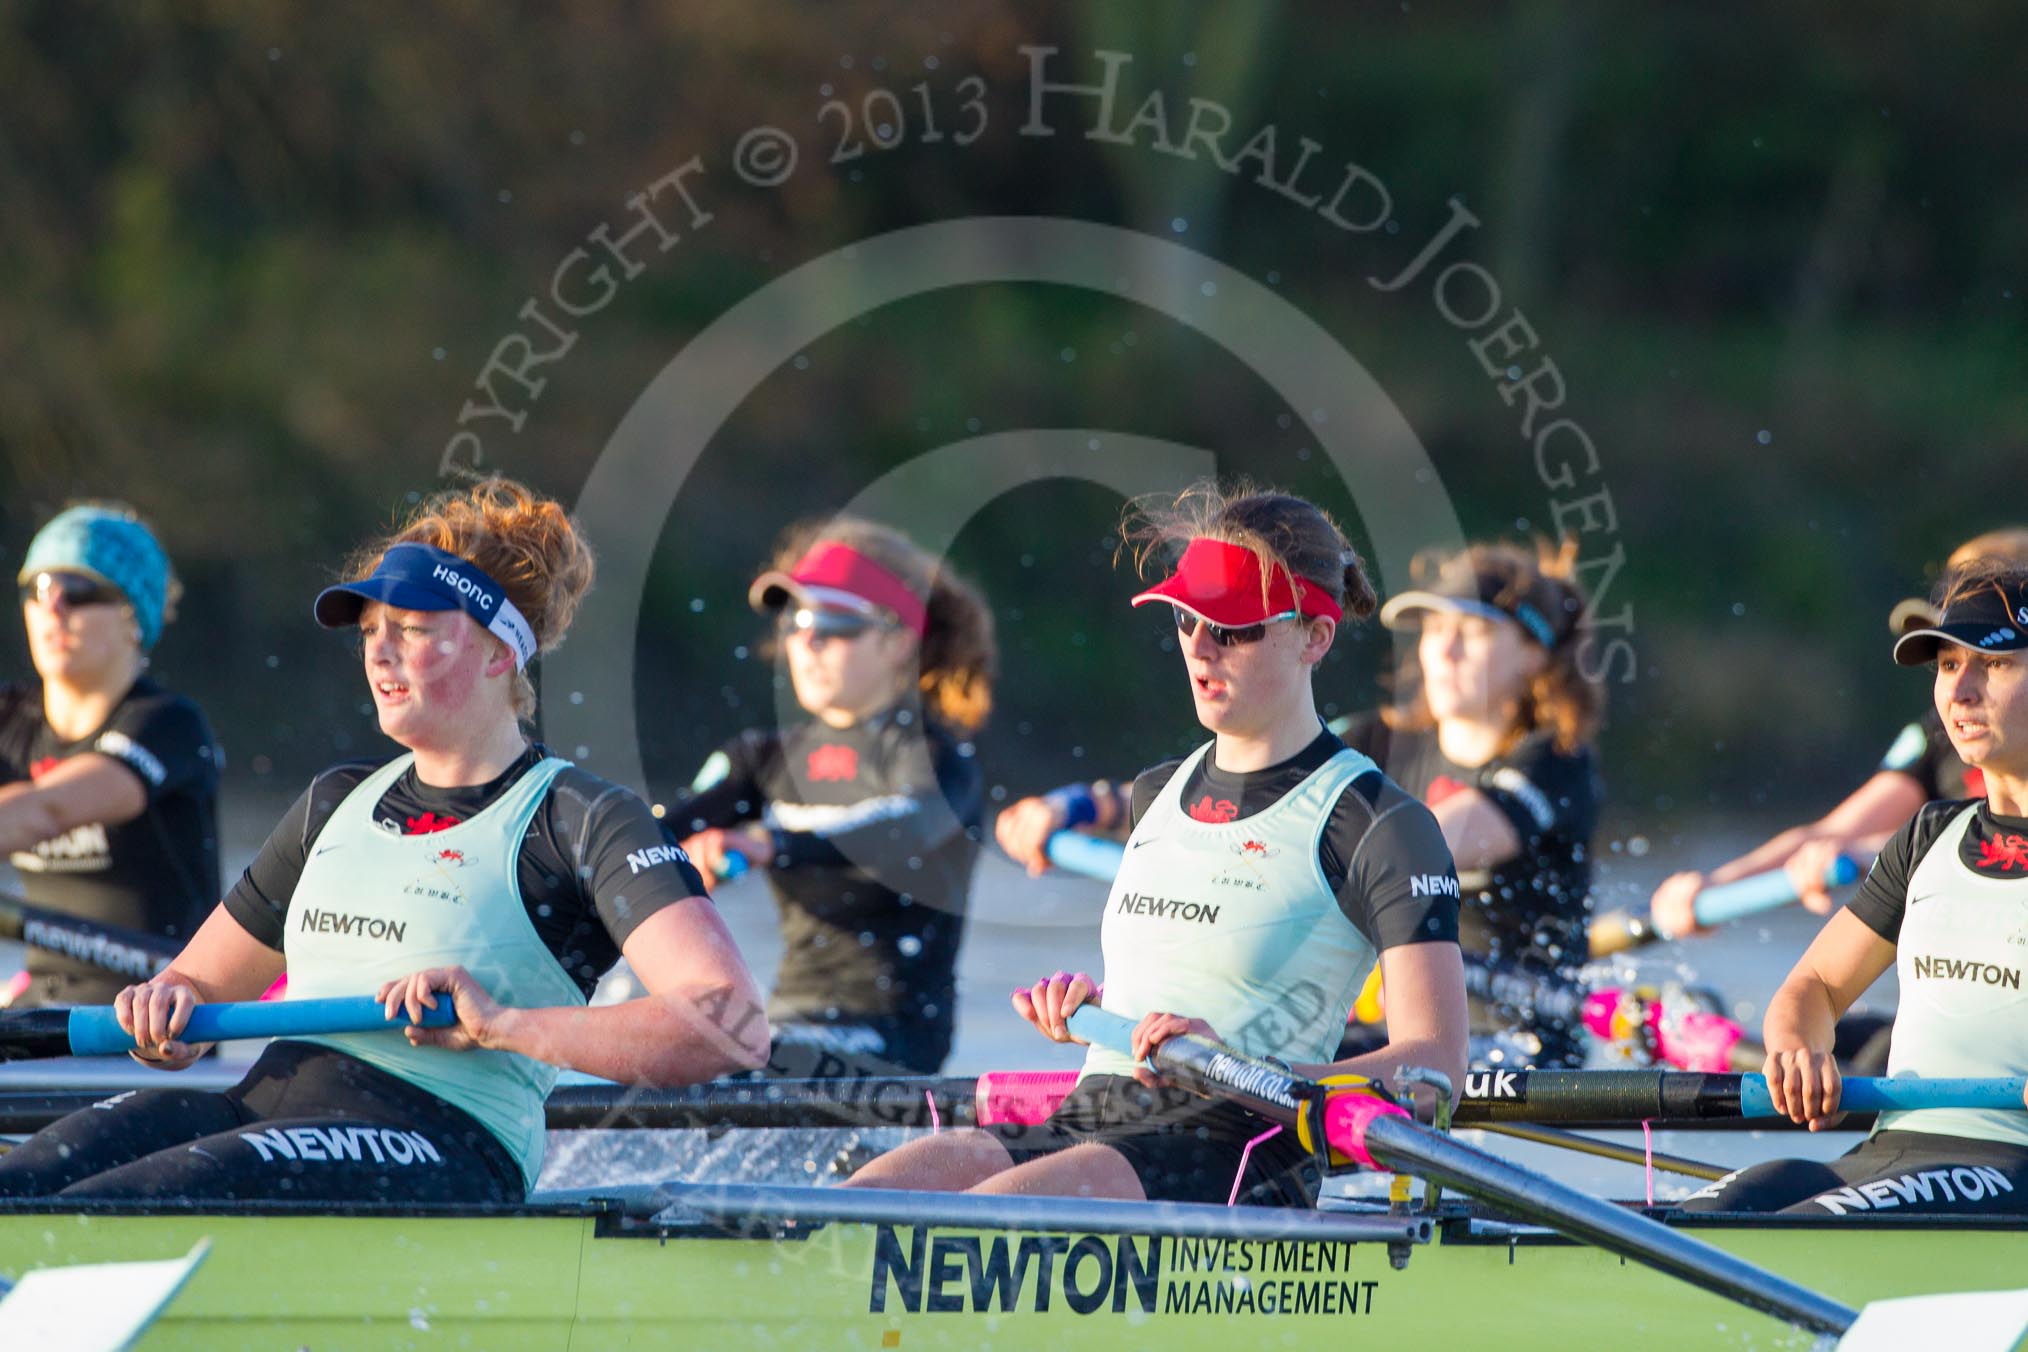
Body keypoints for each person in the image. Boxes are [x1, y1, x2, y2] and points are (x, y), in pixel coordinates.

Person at [0, 478, 768, 1203]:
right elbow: (196, 995)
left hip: (445, 1139)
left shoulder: (582, 817)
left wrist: (504, 1026)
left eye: (414, 629)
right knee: (27, 1181)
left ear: (502, 653)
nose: (379, 652)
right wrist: (163, 1017)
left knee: (122, 1204)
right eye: (371, 631)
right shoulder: (334, 801)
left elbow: (731, 1025)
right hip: (260, 1106)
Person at [846, 480, 1468, 1207]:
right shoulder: (1156, 796)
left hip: (1237, 1152)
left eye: (1231, 627)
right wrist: (1093, 1009)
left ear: (1314, 635)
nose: (1199, 647)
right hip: (1095, 1120)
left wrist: (1245, 1066)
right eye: (1183, 618)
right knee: (859, 1204)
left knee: (978, 1225)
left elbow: (1435, 1072)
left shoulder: (1378, 824)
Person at [999, 540, 1600, 1067]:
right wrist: (1081, 805)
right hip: (1377, 1002)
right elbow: (1249, 789)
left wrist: (1298, 863)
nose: (1442, 653)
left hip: (1515, 1033)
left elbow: (1438, 839)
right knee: (1242, 1048)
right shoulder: (1377, 738)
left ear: (1533, 653)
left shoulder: (1555, 762)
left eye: (1471, 634)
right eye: (1434, 631)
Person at [1680, 560, 2028, 1216]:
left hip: (2010, 1164)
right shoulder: (1929, 835)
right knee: (1708, 1213)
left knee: (1804, 1227)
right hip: (1885, 1148)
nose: (1960, 693)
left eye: (1995, 664)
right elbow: (1813, 988)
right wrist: (1799, 1048)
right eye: (1948, 667)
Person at [672, 518, 994, 1075]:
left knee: (740, 1071)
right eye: (795, 621)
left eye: (835, 622)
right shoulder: (760, 760)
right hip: (785, 1028)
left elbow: (902, 829)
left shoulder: (935, 760)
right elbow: (648, 833)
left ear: (898, 642)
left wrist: (768, 842)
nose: (807, 640)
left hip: (894, 1046)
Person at [1649, 526, 2028, 935]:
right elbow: (1833, 833)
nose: (1957, 685)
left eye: (1990, 654)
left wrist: (1874, 854)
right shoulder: (1941, 733)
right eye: (1947, 658)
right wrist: (1716, 886)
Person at [0, 504, 220, 1009]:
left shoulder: (170, 725)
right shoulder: (10, 720)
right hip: (39, 1007)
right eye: (38, 590)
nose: (53, 608)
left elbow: (47, 809)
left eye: (78, 592)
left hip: (156, 1017)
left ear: (130, 616)